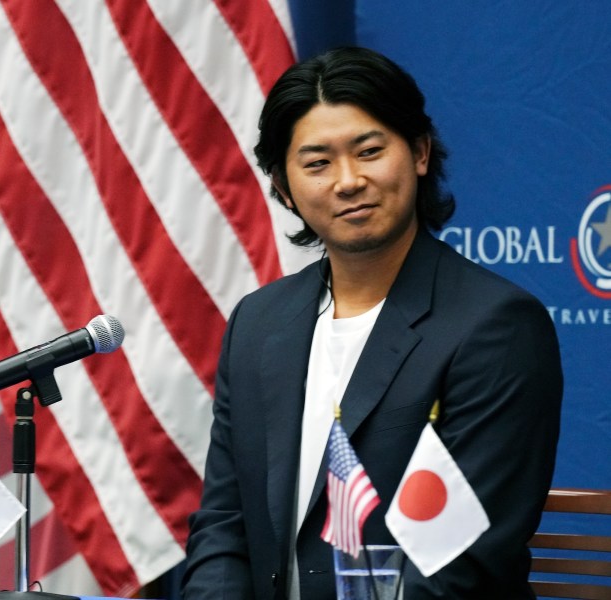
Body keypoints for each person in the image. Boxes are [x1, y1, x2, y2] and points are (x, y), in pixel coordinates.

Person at [182, 46, 563, 599]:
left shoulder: (495, 326)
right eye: (317, 163)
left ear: (420, 152)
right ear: (283, 188)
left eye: (369, 151)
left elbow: (456, 565)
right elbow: (224, 524)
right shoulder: (258, 322)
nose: (348, 181)